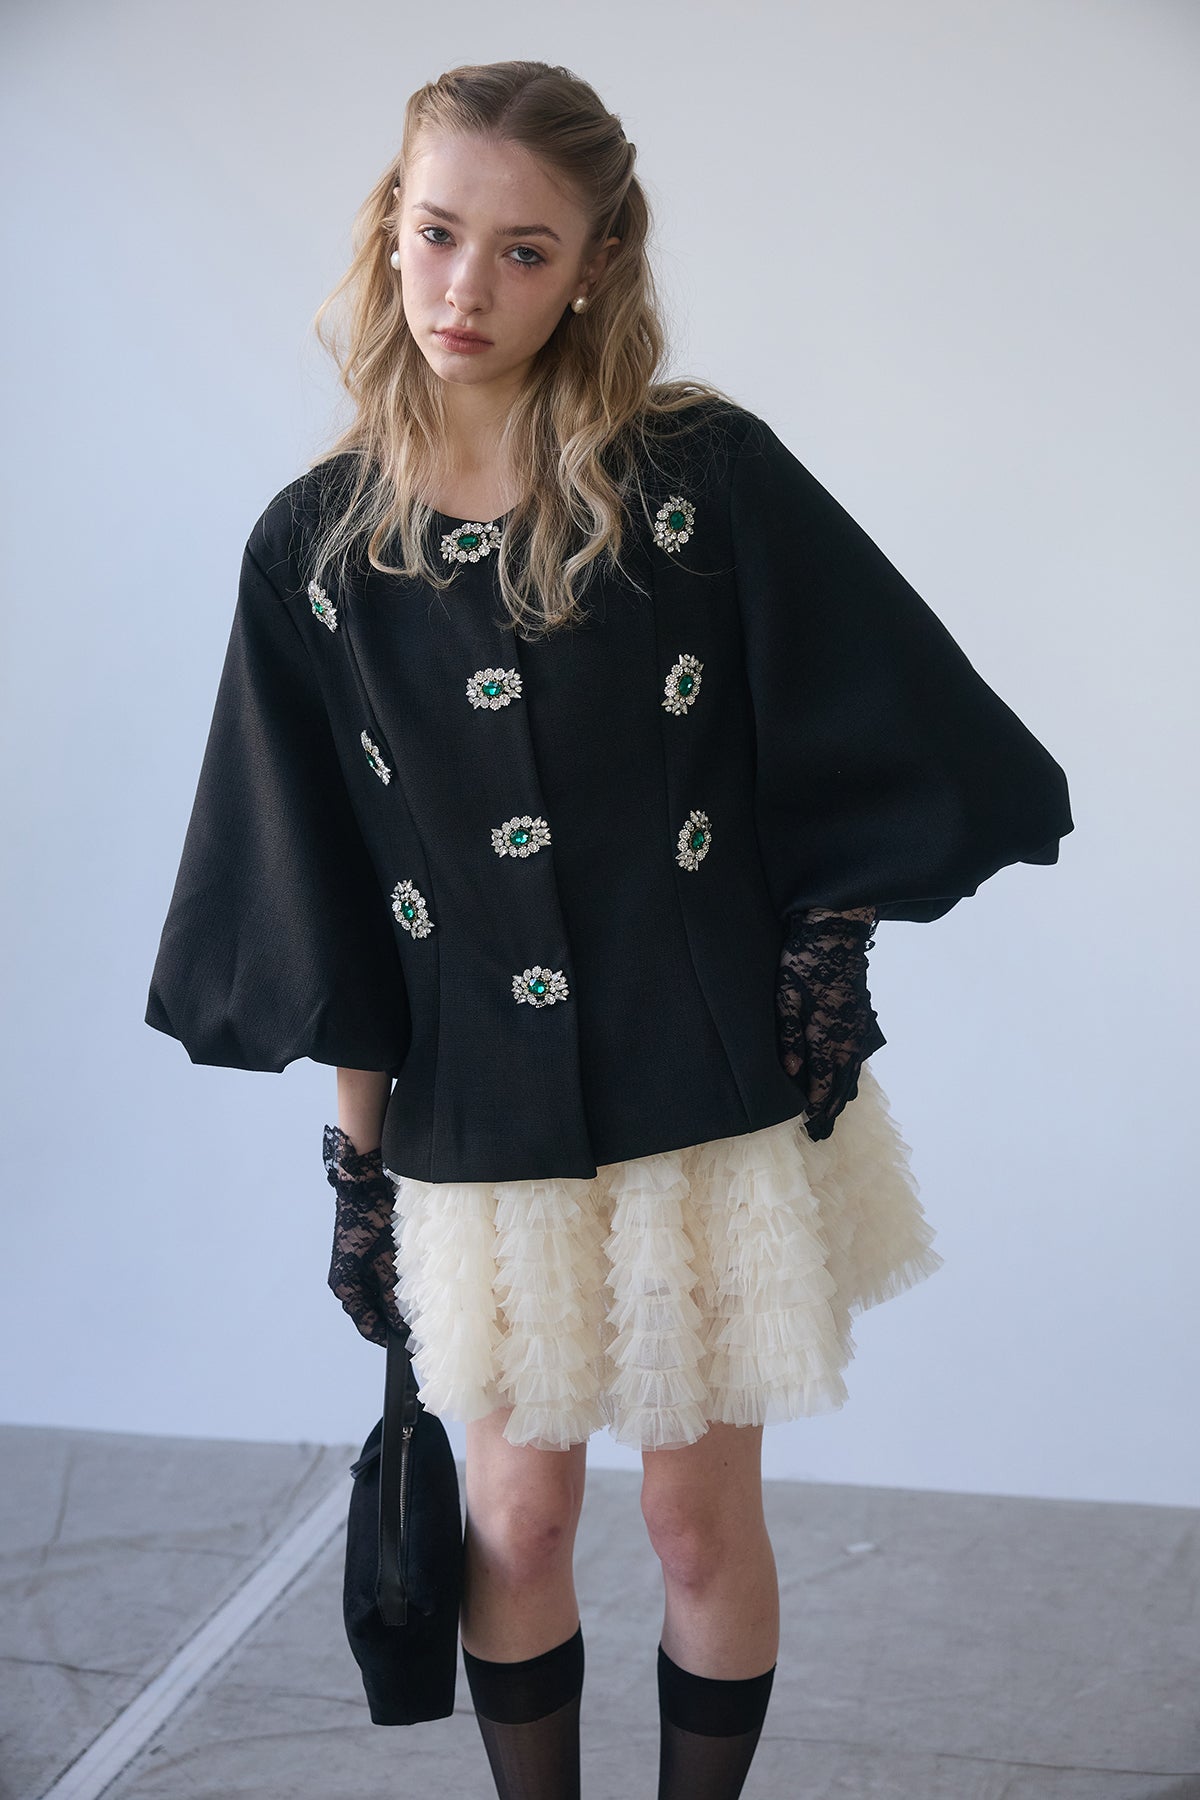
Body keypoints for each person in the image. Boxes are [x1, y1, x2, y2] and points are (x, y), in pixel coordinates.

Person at [144, 59, 1074, 1800]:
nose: (466, 288)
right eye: (438, 233)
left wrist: (829, 948)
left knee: (698, 1523)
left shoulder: (698, 479)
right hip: (475, 1117)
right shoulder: (315, 554)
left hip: (704, 1090)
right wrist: (358, 1173)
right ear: (390, 227)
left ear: (593, 266)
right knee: (516, 1519)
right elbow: (321, 890)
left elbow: (880, 714)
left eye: (524, 250)